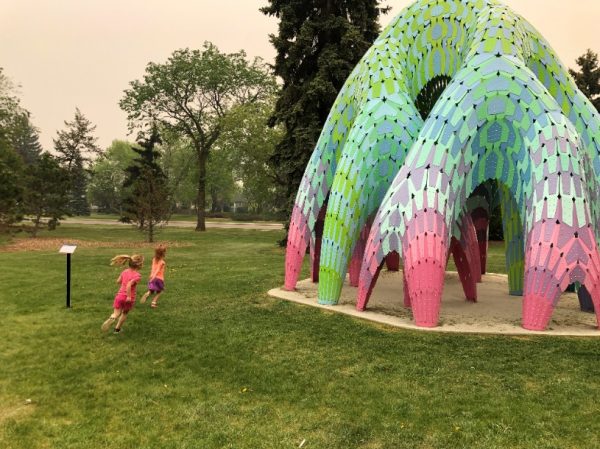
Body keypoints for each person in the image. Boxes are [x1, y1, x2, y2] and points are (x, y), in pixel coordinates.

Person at [101, 254, 144, 333]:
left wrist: (123, 281)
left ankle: (112, 317)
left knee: (116, 313)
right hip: (129, 297)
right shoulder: (138, 275)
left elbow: (118, 281)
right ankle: (117, 329)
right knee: (124, 313)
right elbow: (129, 285)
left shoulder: (124, 272)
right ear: (140, 265)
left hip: (120, 296)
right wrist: (128, 296)